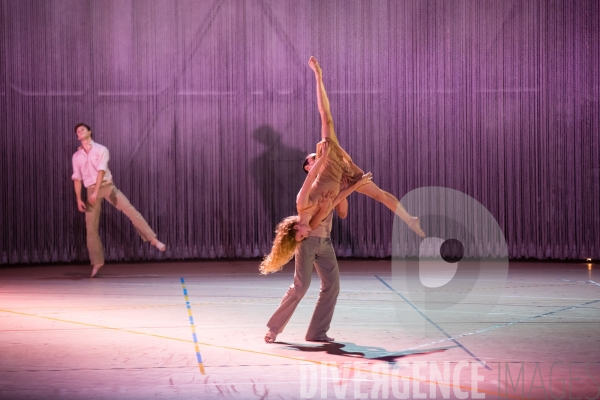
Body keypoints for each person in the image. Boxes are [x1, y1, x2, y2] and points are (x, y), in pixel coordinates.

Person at [304, 56, 425, 238]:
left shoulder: (325, 151)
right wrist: (343, 192)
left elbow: (325, 116)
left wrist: (318, 76)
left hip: (341, 166)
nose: (314, 154)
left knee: (381, 195)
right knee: (378, 195)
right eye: (312, 157)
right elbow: (343, 214)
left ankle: (409, 219)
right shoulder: (314, 186)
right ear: (308, 167)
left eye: (315, 155)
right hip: (339, 181)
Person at [262, 152, 368, 343]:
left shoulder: (330, 185)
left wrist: (345, 187)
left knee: (332, 286)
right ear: (308, 167)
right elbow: (311, 223)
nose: (321, 159)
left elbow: (342, 213)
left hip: (325, 242)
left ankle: (317, 332)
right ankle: (274, 329)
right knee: (300, 286)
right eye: (315, 158)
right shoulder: (308, 191)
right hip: (307, 242)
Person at [71, 123, 165, 278]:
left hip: (107, 186)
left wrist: (96, 191)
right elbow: (77, 178)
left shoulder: (101, 149)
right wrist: (78, 199)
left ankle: (153, 240)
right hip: (90, 190)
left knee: (130, 210)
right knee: (91, 227)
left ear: (89, 131)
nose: (79, 132)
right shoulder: (77, 156)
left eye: (82, 129)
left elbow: (101, 170)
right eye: (77, 131)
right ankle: (97, 261)